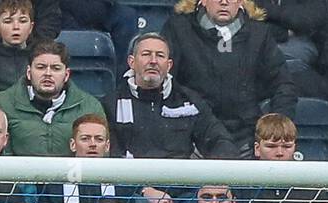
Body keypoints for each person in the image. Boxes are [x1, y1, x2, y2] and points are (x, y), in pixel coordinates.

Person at [160, 0, 298, 156]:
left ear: (241, 2)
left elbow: (283, 84)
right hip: (192, 135)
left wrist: (277, 124)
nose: (224, 2)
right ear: (202, 1)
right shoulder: (178, 29)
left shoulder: (260, 34)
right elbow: (165, 80)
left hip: (246, 137)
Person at [102, 32, 238, 162]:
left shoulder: (190, 102)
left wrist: (216, 184)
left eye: (160, 56)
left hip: (181, 183)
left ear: (169, 65)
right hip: (131, 182)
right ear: (132, 62)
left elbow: (221, 142)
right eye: (146, 54)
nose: (153, 61)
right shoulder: (111, 104)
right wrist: (139, 188)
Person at [0, 38, 106, 157]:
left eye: (56, 68)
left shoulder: (90, 107)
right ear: (29, 73)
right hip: (18, 175)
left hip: (73, 175)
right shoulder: (1, 103)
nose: (48, 73)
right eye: (41, 67)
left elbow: (102, 157)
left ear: (66, 75)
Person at [0, 0, 37, 96]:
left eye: (22, 21)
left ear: (31, 27)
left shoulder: (40, 56)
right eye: (8, 21)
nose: (16, 27)